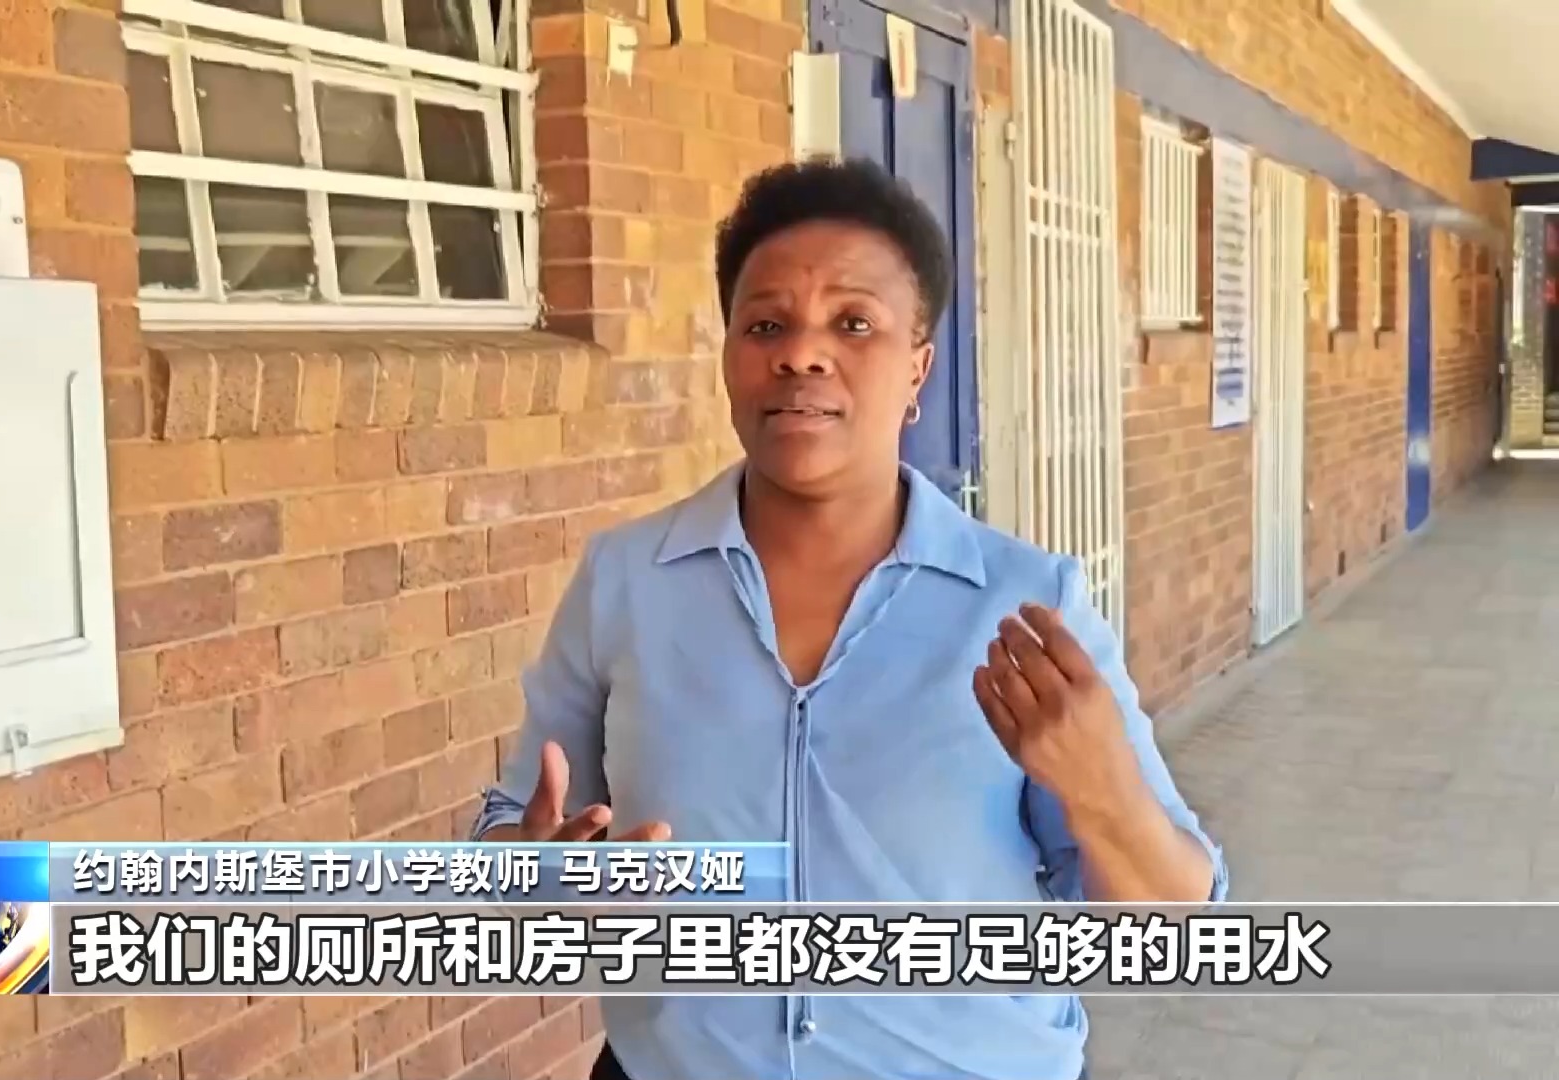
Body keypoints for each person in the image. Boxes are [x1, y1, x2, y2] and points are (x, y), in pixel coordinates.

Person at [468, 158, 1227, 1080]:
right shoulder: (624, 581)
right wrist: (533, 874)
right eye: (766, 325)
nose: (802, 354)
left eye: (854, 323)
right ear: (728, 354)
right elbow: (513, 832)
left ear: (918, 367)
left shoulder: (1026, 606)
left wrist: (1104, 789)